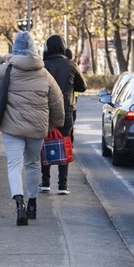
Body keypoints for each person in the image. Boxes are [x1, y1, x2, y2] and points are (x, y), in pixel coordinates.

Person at [0, 30, 64, 226]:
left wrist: (3, 56)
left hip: (12, 128)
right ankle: (32, 202)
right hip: (37, 129)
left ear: (15, 49)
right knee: (33, 164)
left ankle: (19, 204)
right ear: (34, 49)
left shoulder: (7, 70)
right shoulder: (44, 74)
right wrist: (56, 124)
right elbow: (57, 102)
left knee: (14, 166)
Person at [39, 35, 86, 195]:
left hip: (46, 111)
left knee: (45, 144)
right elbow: (83, 87)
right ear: (63, 47)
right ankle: (63, 185)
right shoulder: (70, 65)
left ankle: (45, 182)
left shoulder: (43, 66)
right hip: (67, 111)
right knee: (64, 144)